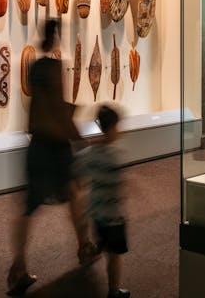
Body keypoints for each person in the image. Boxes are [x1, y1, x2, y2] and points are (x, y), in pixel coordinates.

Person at [7, 19, 97, 296]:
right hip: (55, 146)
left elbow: (41, 105)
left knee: (31, 205)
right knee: (74, 193)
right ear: (56, 37)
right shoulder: (55, 67)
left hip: (37, 143)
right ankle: (84, 246)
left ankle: (18, 267)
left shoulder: (35, 67)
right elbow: (57, 108)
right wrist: (79, 137)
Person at [74, 105, 131, 298]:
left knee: (103, 242)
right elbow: (119, 185)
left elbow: (77, 170)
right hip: (114, 216)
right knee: (114, 256)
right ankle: (114, 290)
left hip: (96, 213)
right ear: (113, 127)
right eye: (118, 126)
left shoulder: (91, 153)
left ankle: (95, 250)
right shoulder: (114, 156)